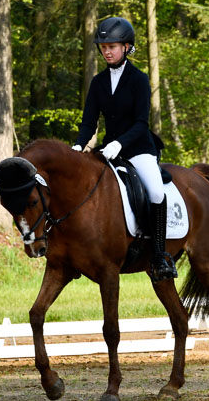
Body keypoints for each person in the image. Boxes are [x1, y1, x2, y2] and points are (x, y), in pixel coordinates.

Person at [72, 16, 177, 282]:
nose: (107, 51)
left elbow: (142, 123)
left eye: (113, 46)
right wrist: (77, 146)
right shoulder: (98, 82)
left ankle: (160, 255)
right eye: (104, 47)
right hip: (109, 151)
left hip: (139, 149)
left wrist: (119, 143)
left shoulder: (139, 79)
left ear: (127, 47)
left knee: (154, 190)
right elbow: (88, 122)